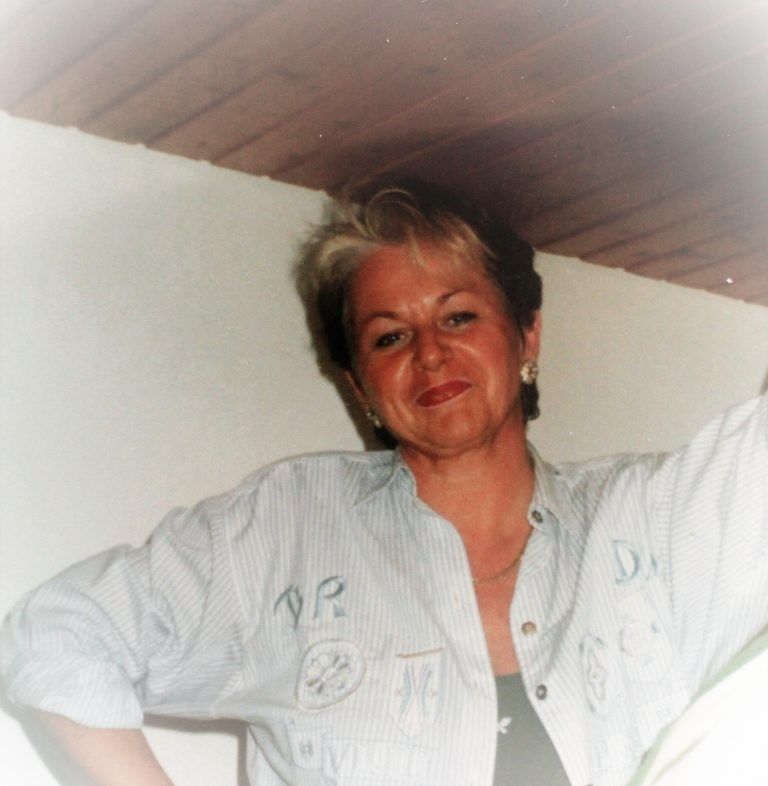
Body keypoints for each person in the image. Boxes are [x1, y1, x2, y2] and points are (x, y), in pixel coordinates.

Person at [1, 183, 767, 786]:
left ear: (527, 334)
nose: (429, 354)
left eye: (458, 317)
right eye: (390, 336)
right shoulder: (287, 532)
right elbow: (55, 636)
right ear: (360, 384)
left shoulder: (653, 523)